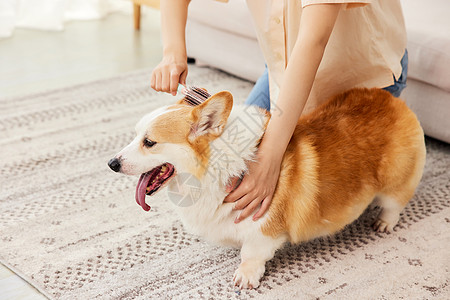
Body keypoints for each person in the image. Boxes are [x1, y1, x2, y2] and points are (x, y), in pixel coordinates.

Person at [150, 0, 408, 224]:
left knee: (287, 195)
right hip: (285, 69)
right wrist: (173, 52)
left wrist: (269, 160)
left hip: (358, 75)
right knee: (227, 174)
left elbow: (314, 40)